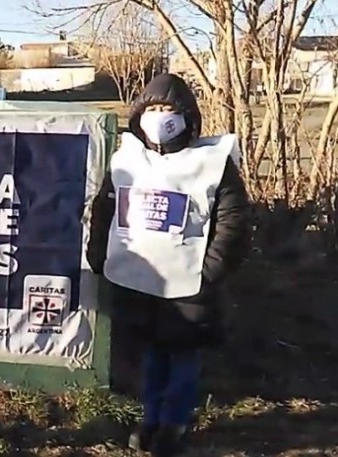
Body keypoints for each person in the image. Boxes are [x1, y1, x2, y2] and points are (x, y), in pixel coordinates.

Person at [86, 73, 251, 457]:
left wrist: (211, 268)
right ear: (139, 116)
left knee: (182, 358)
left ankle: (173, 425)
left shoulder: (213, 162)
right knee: (153, 356)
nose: (160, 118)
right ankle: (150, 418)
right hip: (140, 282)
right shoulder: (127, 159)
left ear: (188, 118)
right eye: (153, 109)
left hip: (191, 285)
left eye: (169, 110)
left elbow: (234, 220)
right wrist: (100, 254)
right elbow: (104, 209)